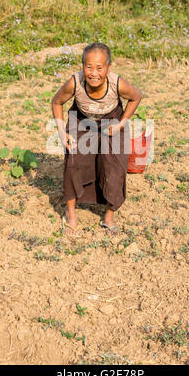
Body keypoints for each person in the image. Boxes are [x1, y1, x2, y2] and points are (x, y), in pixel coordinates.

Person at [51, 43, 142, 237]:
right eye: (89, 67)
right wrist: (61, 132)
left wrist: (120, 124)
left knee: (115, 167)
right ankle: (71, 214)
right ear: (83, 66)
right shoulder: (75, 82)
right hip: (82, 121)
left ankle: (108, 217)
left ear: (108, 68)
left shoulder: (117, 83)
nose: (94, 73)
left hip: (111, 121)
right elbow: (56, 101)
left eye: (100, 68)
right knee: (74, 162)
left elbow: (136, 97)